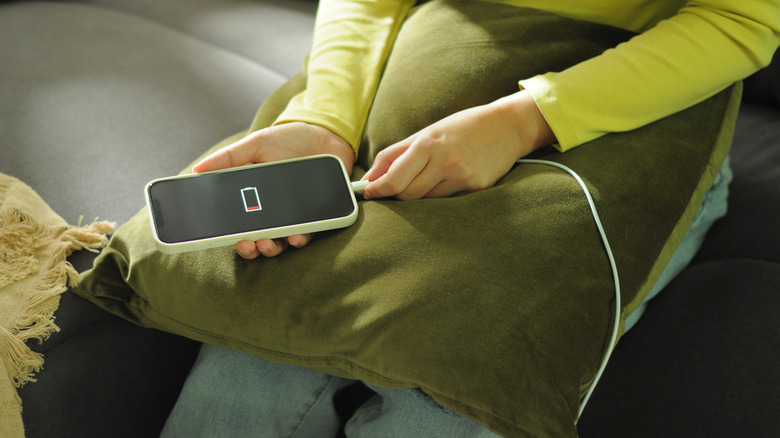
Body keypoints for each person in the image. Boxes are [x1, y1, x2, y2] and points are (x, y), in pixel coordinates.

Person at [161, 0, 780, 436]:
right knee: (252, 360)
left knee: (455, 395)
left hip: (629, 116)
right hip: (421, 81)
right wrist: (323, 119)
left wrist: (526, 121)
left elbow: (742, 18)